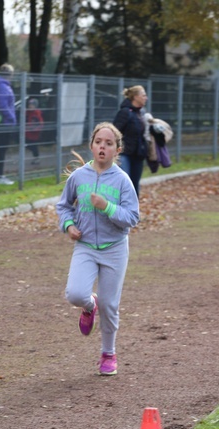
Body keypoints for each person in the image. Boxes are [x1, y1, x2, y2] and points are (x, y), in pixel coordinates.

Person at [56, 122, 140, 376]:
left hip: (114, 248)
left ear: (118, 149)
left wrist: (107, 207)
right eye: (98, 142)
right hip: (85, 246)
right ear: (92, 146)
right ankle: (89, 305)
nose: (102, 146)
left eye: (109, 143)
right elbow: (63, 206)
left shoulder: (123, 181)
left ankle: (108, 353)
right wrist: (69, 225)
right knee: (74, 294)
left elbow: (132, 217)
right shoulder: (78, 177)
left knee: (110, 304)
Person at [112, 85, 148, 197]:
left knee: (134, 185)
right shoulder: (125, 112)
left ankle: (133, 212)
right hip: (124, 154)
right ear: (136, 97)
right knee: (125, 183)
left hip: (138, 155)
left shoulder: (141, 113)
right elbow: (114, 132)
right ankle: (119, 211)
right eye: (143, 95)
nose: (146, 98)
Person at [0, 63, 17, 185]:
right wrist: (11, 117)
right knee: (2, 149)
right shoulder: (2, 87)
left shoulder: (3, 86)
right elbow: (2, 105)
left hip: (6, 122)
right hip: (4, 123)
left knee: (2, 149)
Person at [25, 97, 43, 165]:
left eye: (32, 105)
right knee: (28, 145)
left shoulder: (37, 113)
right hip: (28, 133)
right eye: (29, 104)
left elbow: (40, 123)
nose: (30, 106)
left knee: (34, 146)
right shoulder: (27, 112)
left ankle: (36, 158)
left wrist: (35, 129)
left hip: (34, 133)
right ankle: (36, 157)